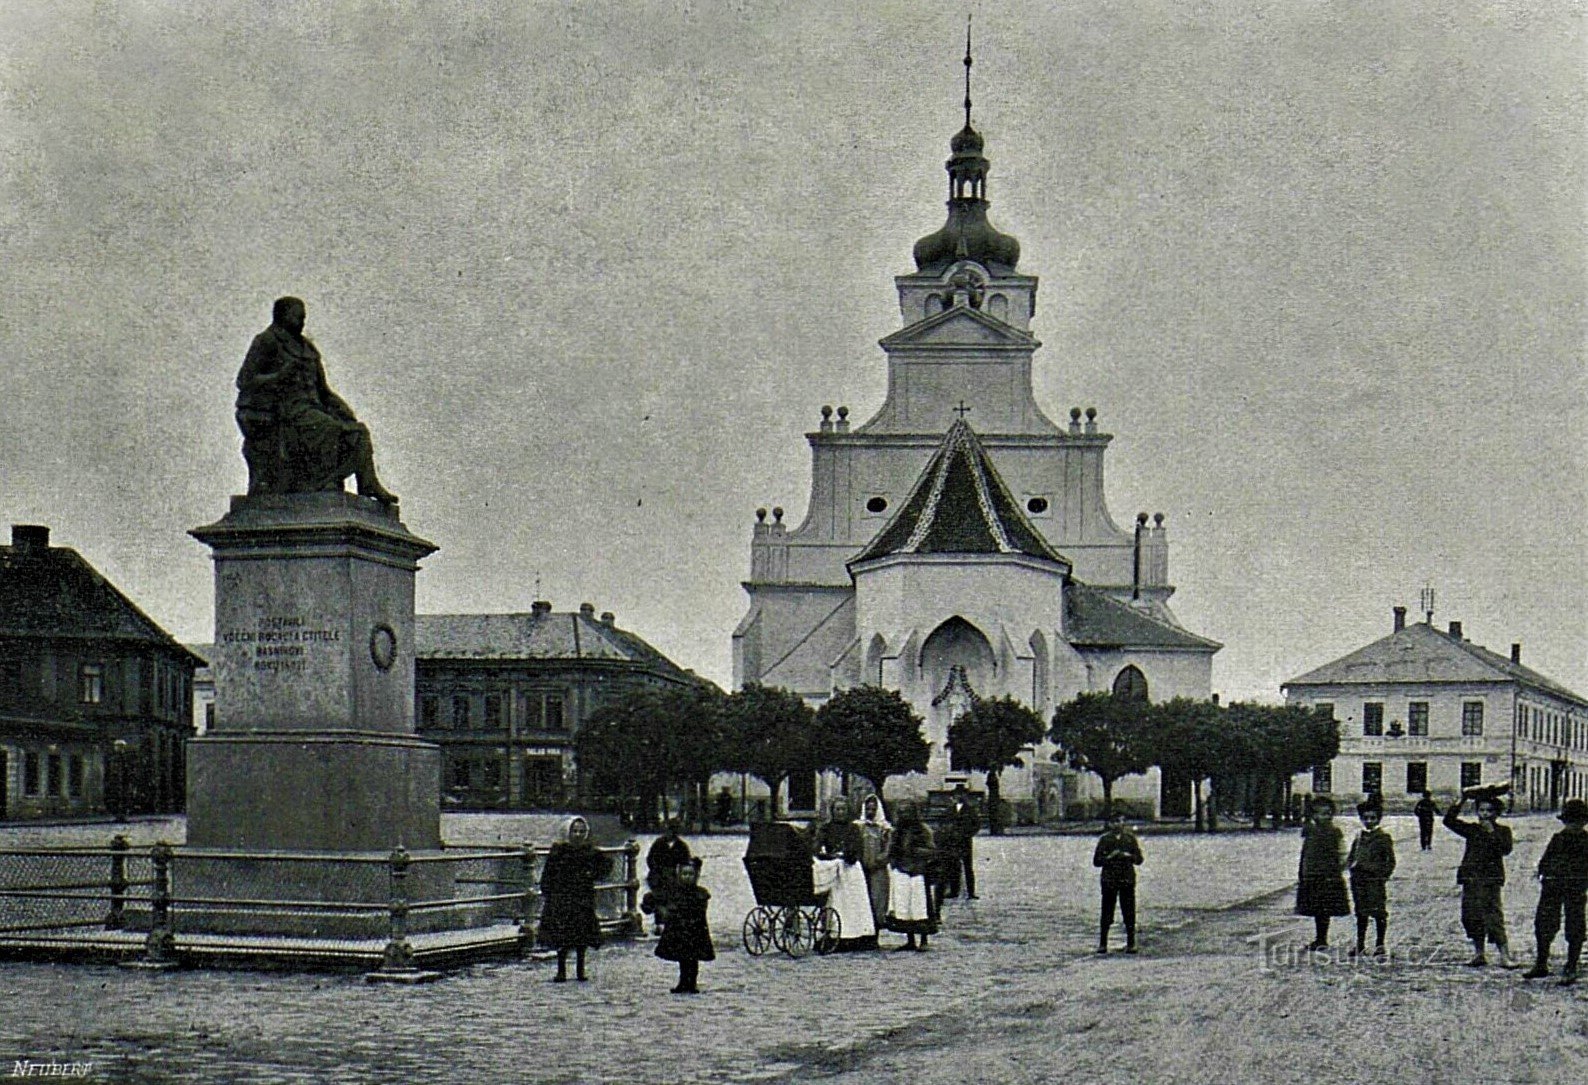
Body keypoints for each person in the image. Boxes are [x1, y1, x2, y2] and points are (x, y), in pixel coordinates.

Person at [236, 296, 398, 504]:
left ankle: (367, 482)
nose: (302, 321)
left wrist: (343, 409)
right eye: (297, 316)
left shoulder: (308, 349)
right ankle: (324, 483)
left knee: (358, 431)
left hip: (313, 408)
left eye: (303, 316)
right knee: (328, 428)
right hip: (285, 410)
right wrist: (278, 377)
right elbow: (245, 379)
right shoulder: (267, 341)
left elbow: (324, 391)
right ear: (282, 315)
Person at [1444, 788, 1517, 967]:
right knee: (1471, 915)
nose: (1485, 814)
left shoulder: (1503, 831)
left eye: (1489, 811)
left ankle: (1504, 955)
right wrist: (1461, 801)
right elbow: (1449, 821)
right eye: (1482, 810)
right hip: (1471, 878)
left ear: (1496, 814)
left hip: (1490, 880)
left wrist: (1492, 832)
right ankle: (1479, 953)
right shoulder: (1472, 830)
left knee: (1493, 916)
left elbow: (1506, 849)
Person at [537, 816, 613, 982]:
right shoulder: (558, 851)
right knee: (562, 935)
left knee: (581, 935)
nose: (578, 835)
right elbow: (548, 873)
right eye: (574, 831)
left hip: (582, 897)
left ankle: (580, 969)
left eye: (581, 831)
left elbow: (607, 865)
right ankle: (561, 970)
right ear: (568, 832)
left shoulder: (589, 851)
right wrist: (548, 891)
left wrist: (592, 874)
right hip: (562, 897)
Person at [1522, 797, 1588, 985]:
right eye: (1569, 822)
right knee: (1544, 923)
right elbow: (1546, 858)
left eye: (1577, 822)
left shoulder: (1586, 841)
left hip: (1576, 888)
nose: (1572, 826)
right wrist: (1542, 872)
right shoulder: (1558, 838)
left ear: (1584, 822)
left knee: (1575, 925)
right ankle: (1541, 962)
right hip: (1552, 886)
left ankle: (1571, 965)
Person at [643, 857, 714, 994]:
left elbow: (699, 910)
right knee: (683, 959)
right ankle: (683, 983)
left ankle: (691, 984)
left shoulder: (700, 893)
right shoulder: (674, 891)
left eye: (690, 874)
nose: (687, 877)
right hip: (680, 931)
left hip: (694, 931)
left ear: (696, 876)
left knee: (692, 959)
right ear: (679, 875)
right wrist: (655, 906)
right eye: (684, 874)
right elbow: (655, 897)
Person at [814, 796, 877, 950]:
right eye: (837, 809)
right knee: (835, 901)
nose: (840, 812)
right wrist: (824, 854)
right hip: (833, 869)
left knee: (852, 903)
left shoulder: (853, 828)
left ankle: (855, 935)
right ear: (832, 811)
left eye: (843, 809)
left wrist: (846, 855)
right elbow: (817, 846)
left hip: (850, 870)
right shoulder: (826, 828)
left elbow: (856, 849)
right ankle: (835, 934)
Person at [1295, 796, 1350, 950]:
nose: (1323, 817)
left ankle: (1322, 938)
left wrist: (1338, 868)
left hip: (1328, 876)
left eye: (1327, 813)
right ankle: (1319, 937)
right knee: (1316, 908)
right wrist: (1302, 870)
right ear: (1313, 815)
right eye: (1319, 813)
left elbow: (1342, 852)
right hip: (1312, 875)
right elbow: (1305, 853)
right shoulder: (1310, 832)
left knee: (1324, 909)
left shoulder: (1334, 832)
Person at [1346, 797, 1396, 958]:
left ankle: (1380, 944)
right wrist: (1352, 868)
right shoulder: (1359, 837)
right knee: (1361, 912)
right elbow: (1352, 855)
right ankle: (1360, 944)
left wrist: (1382, 876)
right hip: (1359, 880)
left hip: (1375, 881)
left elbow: (1390, 861)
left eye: (1372, 818)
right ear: (1361, 819)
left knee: (1379, 912)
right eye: (1365, 818)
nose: (1369, 821)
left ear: (1378, 819)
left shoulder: (1383, 838)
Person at [885, 799, 938, 951]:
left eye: (907, 812)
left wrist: (918, 853)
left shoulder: (923, 830)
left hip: (918, 872)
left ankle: (923, 939)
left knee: (921, 906)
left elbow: (931, 850)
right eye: (901, 812)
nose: (904, 815)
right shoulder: (897, 832)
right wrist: (894, 863)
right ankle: (910, 939)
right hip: (902, 870)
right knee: (904, 906)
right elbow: (892, 850)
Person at [1093, 810, 1144, 954]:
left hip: (1126, 879)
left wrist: (1128, 855)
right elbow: (1096, 861)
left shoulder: (1130, 839)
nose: (1118, 824)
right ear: (1110, 824)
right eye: (1114, 821)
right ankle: (1103, 943)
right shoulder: (1104, 840)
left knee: (1129, 912)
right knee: (1107, 912)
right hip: (1109, 880)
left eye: (1120, 821)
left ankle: (1131, 943)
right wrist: (1109, 857)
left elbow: (1139, 859)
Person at [854, 793, 893, 929]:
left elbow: (888, 848)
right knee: (862, 899)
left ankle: (876, 930)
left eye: (873, 809)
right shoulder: (858, 827)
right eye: (868, 809)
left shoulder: (884, 828)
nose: (870, 812)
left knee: (877, 900)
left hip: (878, 869)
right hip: (861, 868)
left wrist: (881, 858)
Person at [948, 784, 981, 899]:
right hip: (953, 842)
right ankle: (953, 891)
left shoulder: (970, 810)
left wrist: (968, 834)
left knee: (968, 866)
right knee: (953, 866)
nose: (959, 796)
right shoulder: (950, 809)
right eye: (957, 794)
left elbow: (976, 824)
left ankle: (971, 892)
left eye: (962, 794)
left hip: (965, 841)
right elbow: (945, 823)